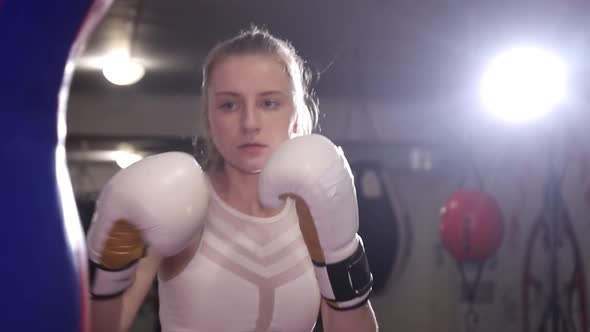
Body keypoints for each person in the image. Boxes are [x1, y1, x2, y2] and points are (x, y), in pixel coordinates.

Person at [87, 26, 378, 332]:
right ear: (209, 119)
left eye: (268, 103)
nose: (249, 123)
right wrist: (108, 268)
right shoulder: (176, 204)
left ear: (296, 114)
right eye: (229, 105)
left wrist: (341, 260)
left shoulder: (315, 213)